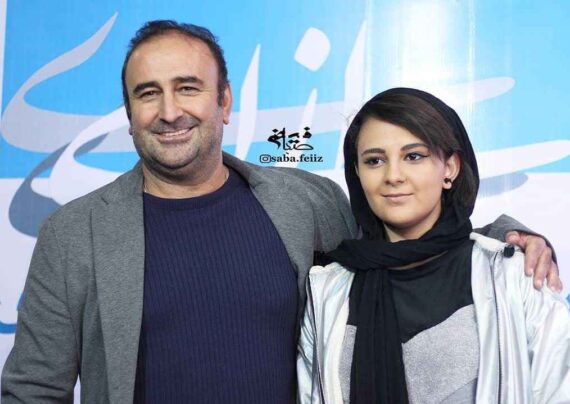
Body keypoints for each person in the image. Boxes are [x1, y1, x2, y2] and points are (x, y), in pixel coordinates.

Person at [0, 21, 560, 403]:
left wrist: (511, 236)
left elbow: (404, 244)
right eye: (148, 93)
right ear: (128, 113)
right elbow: (32, 390)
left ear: (224, 101)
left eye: (188, 88)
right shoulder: (74, 233)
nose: (169, 111)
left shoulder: (305, 201)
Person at [297, 88, 570, 403]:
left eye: (413, 156)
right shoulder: (327, 291)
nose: (393, 175)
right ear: (357, 173)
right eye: (375, 160)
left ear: (450, 167)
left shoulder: (516, 276)